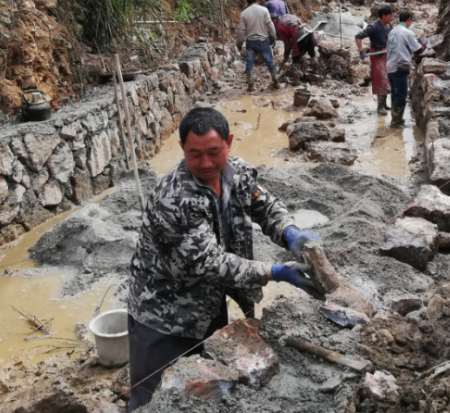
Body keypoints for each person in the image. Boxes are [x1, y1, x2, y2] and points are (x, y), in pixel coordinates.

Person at [127, 107, 323, 410]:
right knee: (152, 399)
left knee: (204, 389)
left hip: (209, 303)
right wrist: (276, 272)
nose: (206, 163)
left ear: (228, 142)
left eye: (214, 152)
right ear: (182, 148)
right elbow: (210, 263)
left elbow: (265, 206)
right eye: (195, 154)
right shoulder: (174, 198)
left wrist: (291, 232)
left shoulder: (237, 172)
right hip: (163, 315)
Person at [385, 10, 426, 127]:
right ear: (408, 20)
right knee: (401, 94)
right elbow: (418, 50)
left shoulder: (392, 32)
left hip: (390, 67)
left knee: (394, 93)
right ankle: (396, 121)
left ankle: (394, 118)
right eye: (410, 21)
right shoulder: (407, 33)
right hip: (400, 67)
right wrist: (424, 44)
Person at [355, 5, 394, 115]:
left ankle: (385, 104)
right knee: (381, 80)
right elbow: (358, 36)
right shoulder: (373, 27)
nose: (392, 17)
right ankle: (380, 107)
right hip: (377, 56)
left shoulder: (389, 25)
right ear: (384, 16)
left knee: (388, 79)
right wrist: (361, 50)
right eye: (390, 15)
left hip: (388, 54)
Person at [237, 0, 280, 91]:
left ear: (247, 2)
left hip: (250, 41)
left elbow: (241, 31)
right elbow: (270, 25)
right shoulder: (264, 10)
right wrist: (273, 37)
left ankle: (251, 86)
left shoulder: (244, 13)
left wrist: (239, 44)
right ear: (257, 0)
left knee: (250, 62)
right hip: (262, 40)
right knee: (269, 60)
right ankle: (276, 82)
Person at [272, 13, 317, 83]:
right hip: (309, 30)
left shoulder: (279, 27)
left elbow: (287, 45)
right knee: (312, 53)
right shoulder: (287, 16)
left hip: (300, 34)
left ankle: (296, 80)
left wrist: (286, 55)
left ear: (274, 21)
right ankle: (316, 71)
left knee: (295, 58)